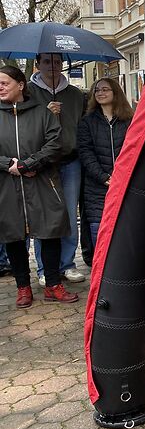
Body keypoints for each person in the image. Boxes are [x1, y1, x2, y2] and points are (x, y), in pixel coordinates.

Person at [0, 64, 79, 308]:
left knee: (50, 231)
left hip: (42, 181)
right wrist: (8, 164)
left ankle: (53, 284)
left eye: (5, 83)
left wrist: (29, 164)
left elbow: (55, 143)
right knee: (13, 235)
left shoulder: (41, 113)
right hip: (7, 185)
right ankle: (23, 287)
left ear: (21, 85)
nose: (0, 87)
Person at [29, 53, 85, 285]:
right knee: (45, 218)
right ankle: (44, 269)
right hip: (43, 164)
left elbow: (82, 125)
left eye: (57, 62)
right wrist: (45, 114)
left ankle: (67, 263)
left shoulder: (75, 94)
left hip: (70, 161)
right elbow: (24, 128)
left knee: (70, 215)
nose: (52, 67)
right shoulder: (29, 93)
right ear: (38, 64)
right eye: (46, 62)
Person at [77, 78, 133, 247]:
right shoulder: (87, 122)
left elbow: (134, 148)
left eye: (105, 89)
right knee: (98, 228)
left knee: (125, 226)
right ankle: (102, 270)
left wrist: (125, 174)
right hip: (98, 185)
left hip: (126, 182)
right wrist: (103, 176)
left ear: (115, 92)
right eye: (97, 90)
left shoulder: (129, 120)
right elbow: (85, 152)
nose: (100, 93)